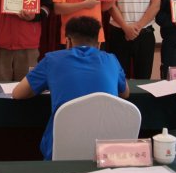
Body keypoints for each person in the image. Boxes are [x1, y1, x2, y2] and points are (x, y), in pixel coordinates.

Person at [13, 16, 129, 160]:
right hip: (105, 151)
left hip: (61, 149)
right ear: (99, 44)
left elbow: (18, 93)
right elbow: (125, 93)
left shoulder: (52, 60)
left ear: (67, 42)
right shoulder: (112, 59)